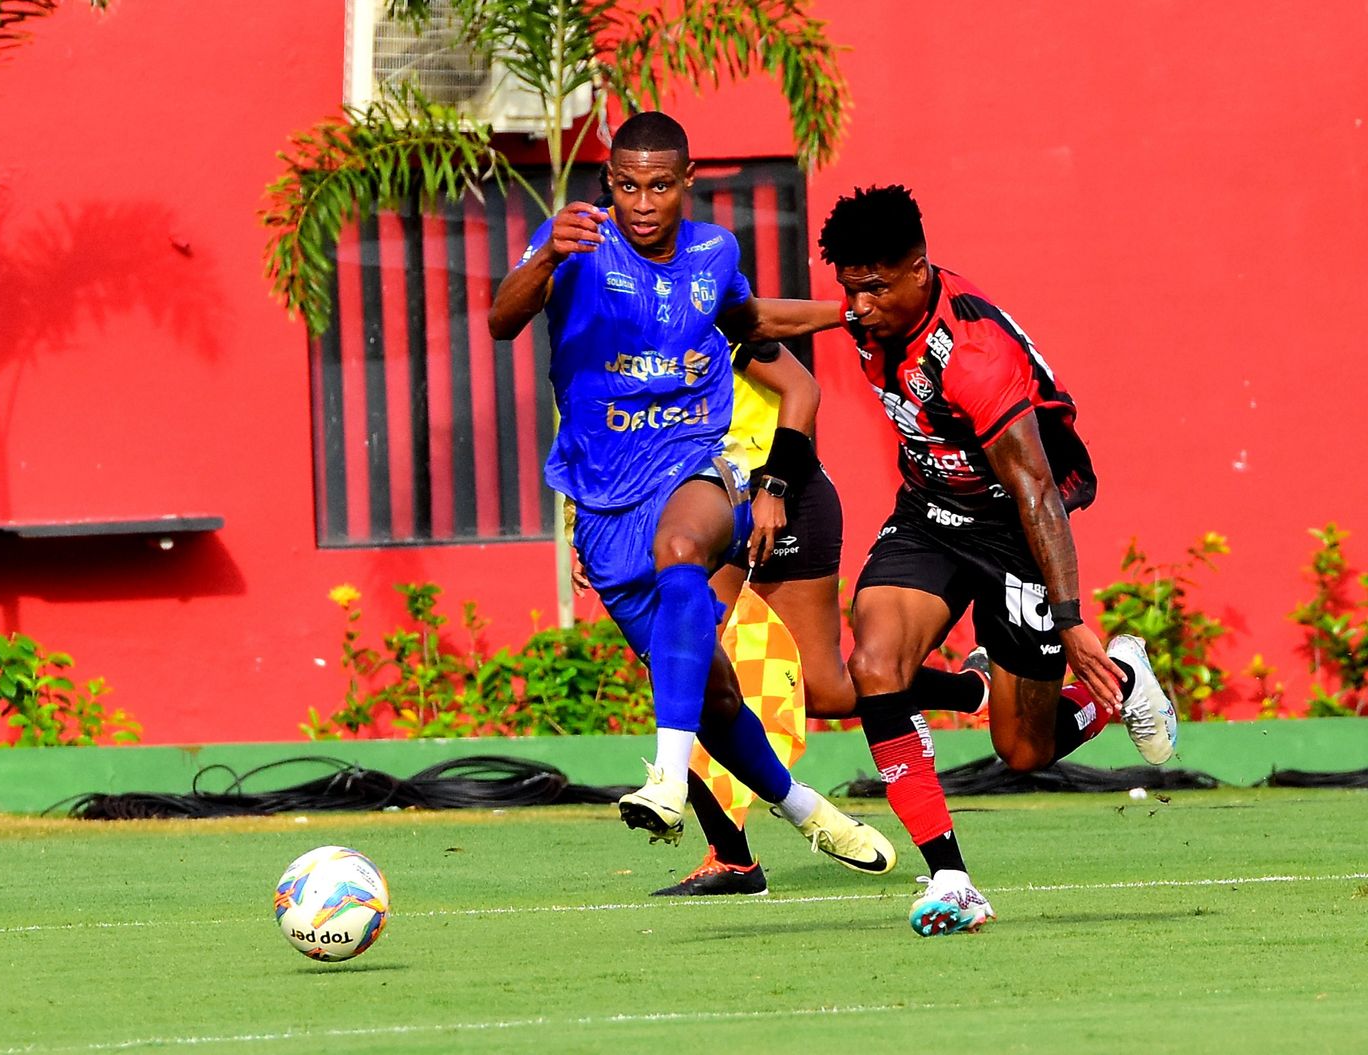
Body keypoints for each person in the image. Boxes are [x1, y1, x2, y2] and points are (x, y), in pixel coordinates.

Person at [487, 112, 895, 875]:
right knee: (715, 698)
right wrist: (545, 257)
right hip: (605, 507)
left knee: (682, 546)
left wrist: (849, 312)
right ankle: (807, 810)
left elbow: (749, 319)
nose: (643, 203)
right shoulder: (576, 245)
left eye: (660, 186)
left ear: (687, 182)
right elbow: (502, 320)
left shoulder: (714, 251)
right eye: (628, 186)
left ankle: (668, 778)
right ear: (610, 184)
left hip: (694, 464)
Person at [817, 184, 1178, 935]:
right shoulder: (869, 312)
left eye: (875, 288)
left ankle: (1118, 680)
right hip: (930, 512)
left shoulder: (975, 356)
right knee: (875, 665)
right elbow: (780, 317)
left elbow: (1037, 489)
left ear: (920, 268)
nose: (859, 307)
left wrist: (1071, 621)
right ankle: (951, 877)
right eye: (849, 289)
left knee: (1022, 750)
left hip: (1016, 521)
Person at [654, 338, 989, 896]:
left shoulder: (719, 317)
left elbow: (803, 389)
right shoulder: (618, 340)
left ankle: (970, 690)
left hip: (784, 499)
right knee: (692, 673)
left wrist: (774, 486)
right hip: (701, 507)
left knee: (827, 691)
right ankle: (732, 860)